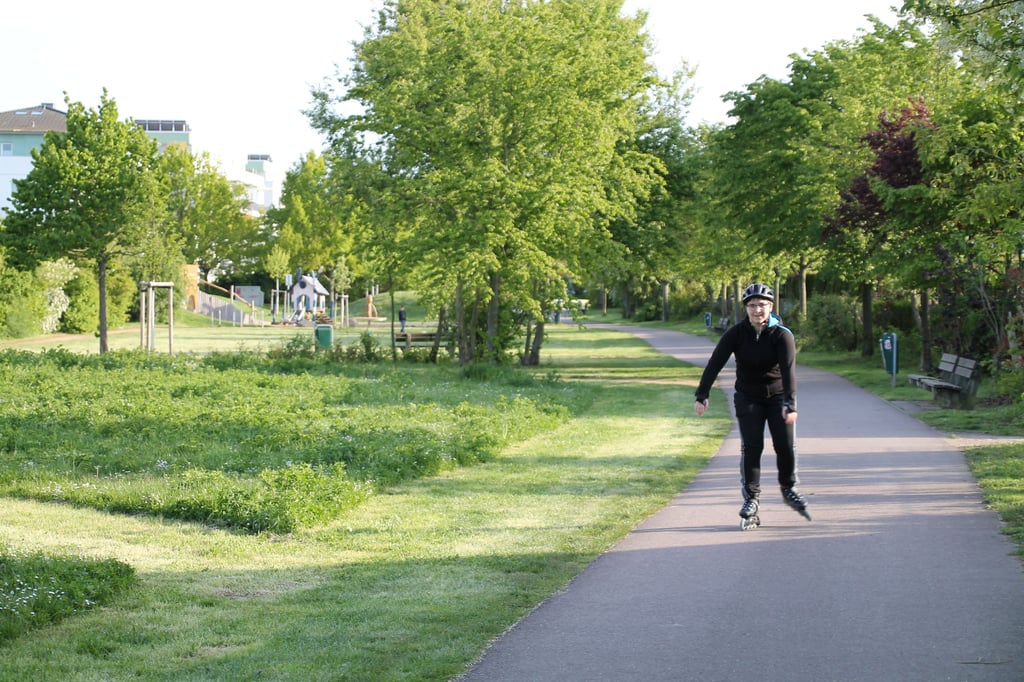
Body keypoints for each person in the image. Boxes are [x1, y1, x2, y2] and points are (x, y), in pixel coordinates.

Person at [693, 283, 810, 529]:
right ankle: (752, 499)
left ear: (771, 307)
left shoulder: (782, 335)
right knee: (752, 446)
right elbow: (715, 362)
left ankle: (789, 487)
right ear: (746, 308)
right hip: (748, 397)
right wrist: (702, 394)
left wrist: (790, 403)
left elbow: (789, 371)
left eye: (763, 305)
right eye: (753, 305)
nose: (758, 310)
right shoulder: (736, 334)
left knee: (785, 445)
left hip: (778, 396)